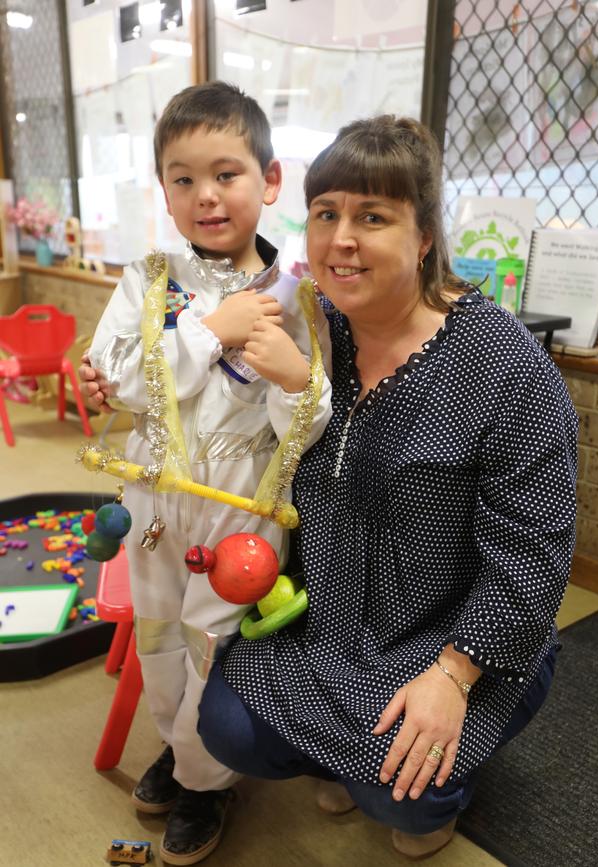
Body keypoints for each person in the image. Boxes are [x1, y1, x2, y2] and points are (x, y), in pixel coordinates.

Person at [196, 115, 578, 860]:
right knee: (227, 726)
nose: (342, 238)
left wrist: (454, 674)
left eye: (373, 217)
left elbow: (533, 558)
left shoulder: (508, 371)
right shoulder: (312, 333)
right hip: (328, 621)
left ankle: (428, 786)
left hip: (451, 633)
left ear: (426, 235)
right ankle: (339, 753)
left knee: (401, 794)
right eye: (326, 214)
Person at [82, 81, 332, 866]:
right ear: (163, 188)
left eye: (226, 173)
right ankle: (178, 749)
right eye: (182, 179)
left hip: (240, 510)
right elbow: (116, 377)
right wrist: (207, 331)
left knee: (211, 648)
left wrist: (297, 379)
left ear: (269, 181)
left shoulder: (298, 297)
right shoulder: (148, 277)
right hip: (154, 496)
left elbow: (307, 426)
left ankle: (203, 779)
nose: (205, 196)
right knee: (159, 641)